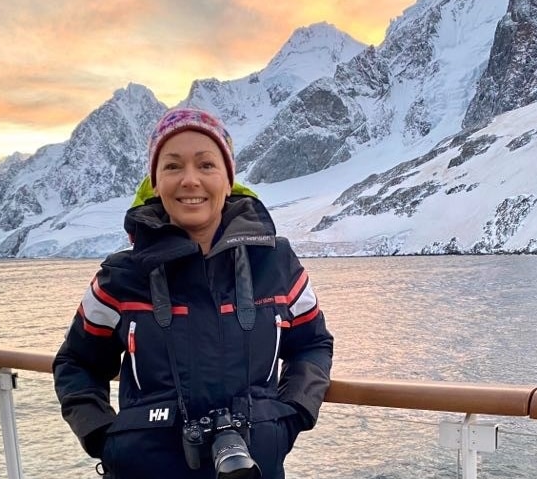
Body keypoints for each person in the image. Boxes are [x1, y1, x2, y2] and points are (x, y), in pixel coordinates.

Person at [53, 107, 334, 479]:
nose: (190, 180)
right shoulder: (121, 276)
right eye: (172, 166)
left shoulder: (275, 263)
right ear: (155, 182)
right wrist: (107, 439)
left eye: (206, 165)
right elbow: (77, 362)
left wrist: (288, 417)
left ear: (228, 178)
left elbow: (312, 344)